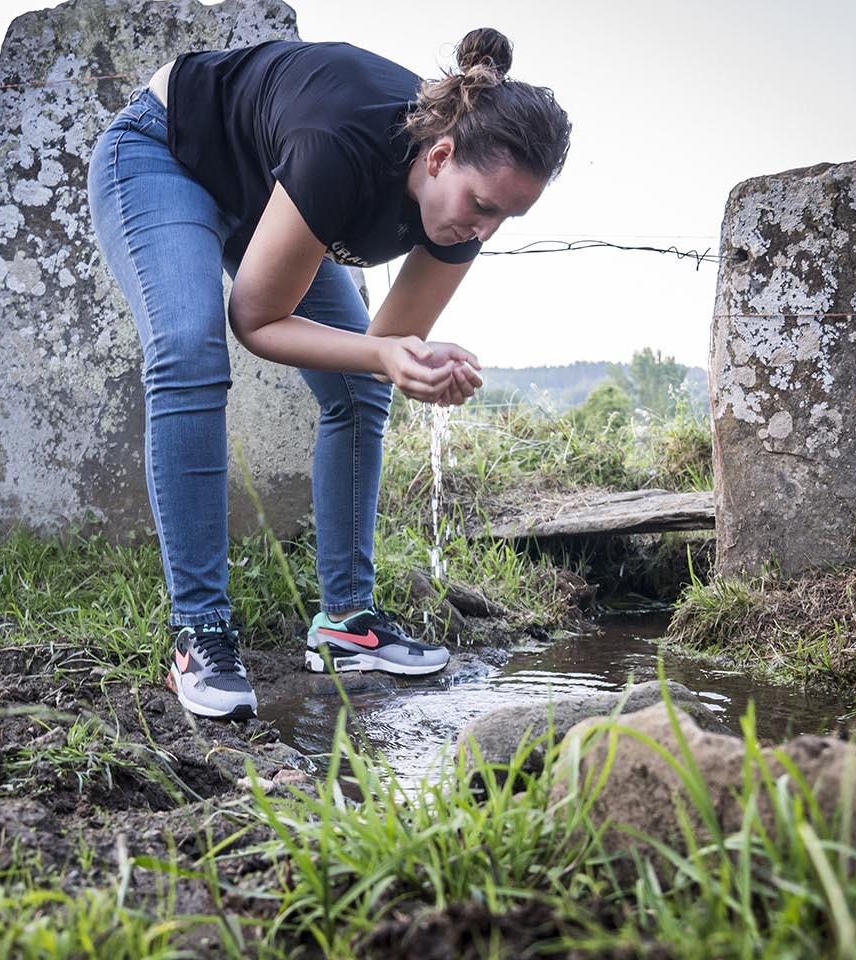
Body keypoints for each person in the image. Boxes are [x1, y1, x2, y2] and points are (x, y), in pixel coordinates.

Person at [87, 27, 571, 720]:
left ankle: (347, 623)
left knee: (358, 391)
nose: (486, 231)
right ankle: (200, 633)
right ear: (439, 158)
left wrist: (412, 364)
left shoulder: (462, 218)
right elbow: (256, 321)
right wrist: (385, 354)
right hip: (164, 154)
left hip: (270, 193)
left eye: (508, 216)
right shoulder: (340, 148)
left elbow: (384, 350)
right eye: (484, 207)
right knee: (191, 351)